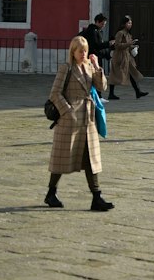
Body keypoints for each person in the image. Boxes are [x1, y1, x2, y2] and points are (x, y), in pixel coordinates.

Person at [45, 35, 113, 211]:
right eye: (80, 50)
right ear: (73, 51)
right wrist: (67, 111)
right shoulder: (66, 69)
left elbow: (102, 86)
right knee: (62, 158)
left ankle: (96, 197)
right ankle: (51, 192)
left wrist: (97, 67)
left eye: (85, 50)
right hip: (69, 121)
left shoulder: (89, 67)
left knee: (91, 159)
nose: (83, 53)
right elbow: (55, 94)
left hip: (88, 120)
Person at [108, 15, 149, 101]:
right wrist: (129, 44)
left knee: (132, 73)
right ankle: (111, 94)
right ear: (124, 24)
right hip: (119, 56)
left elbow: (127, 45)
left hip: (127, 57)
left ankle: (138, 91)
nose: (130, 25)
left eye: (131, 23)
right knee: (114, 75)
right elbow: (117, 45)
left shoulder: (128, 34)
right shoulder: (120, 33)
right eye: (129, 23)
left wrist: (133, 46)